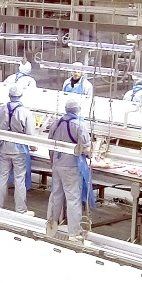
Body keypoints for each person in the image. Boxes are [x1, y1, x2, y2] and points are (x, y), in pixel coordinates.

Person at [46, 98, 94, 239]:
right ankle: (74, 233)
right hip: (71, 165)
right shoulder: (79, 125)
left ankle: (50, 226)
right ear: (78, 110)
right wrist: (91, 154)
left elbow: (50, 144)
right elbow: (86, 149)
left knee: (55, 195)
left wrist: (52, 161)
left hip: (57, 163)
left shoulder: (56, 123)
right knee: (73, 198)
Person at [0, 85, 36, 215]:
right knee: (19, 178)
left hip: (4, 147)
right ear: (21, 95)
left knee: (2, 176)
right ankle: (20, 209)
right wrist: (33, 146)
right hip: (19, 150)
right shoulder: (25, 112)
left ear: (9, 95)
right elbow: (30, 135)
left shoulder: (0, 109)